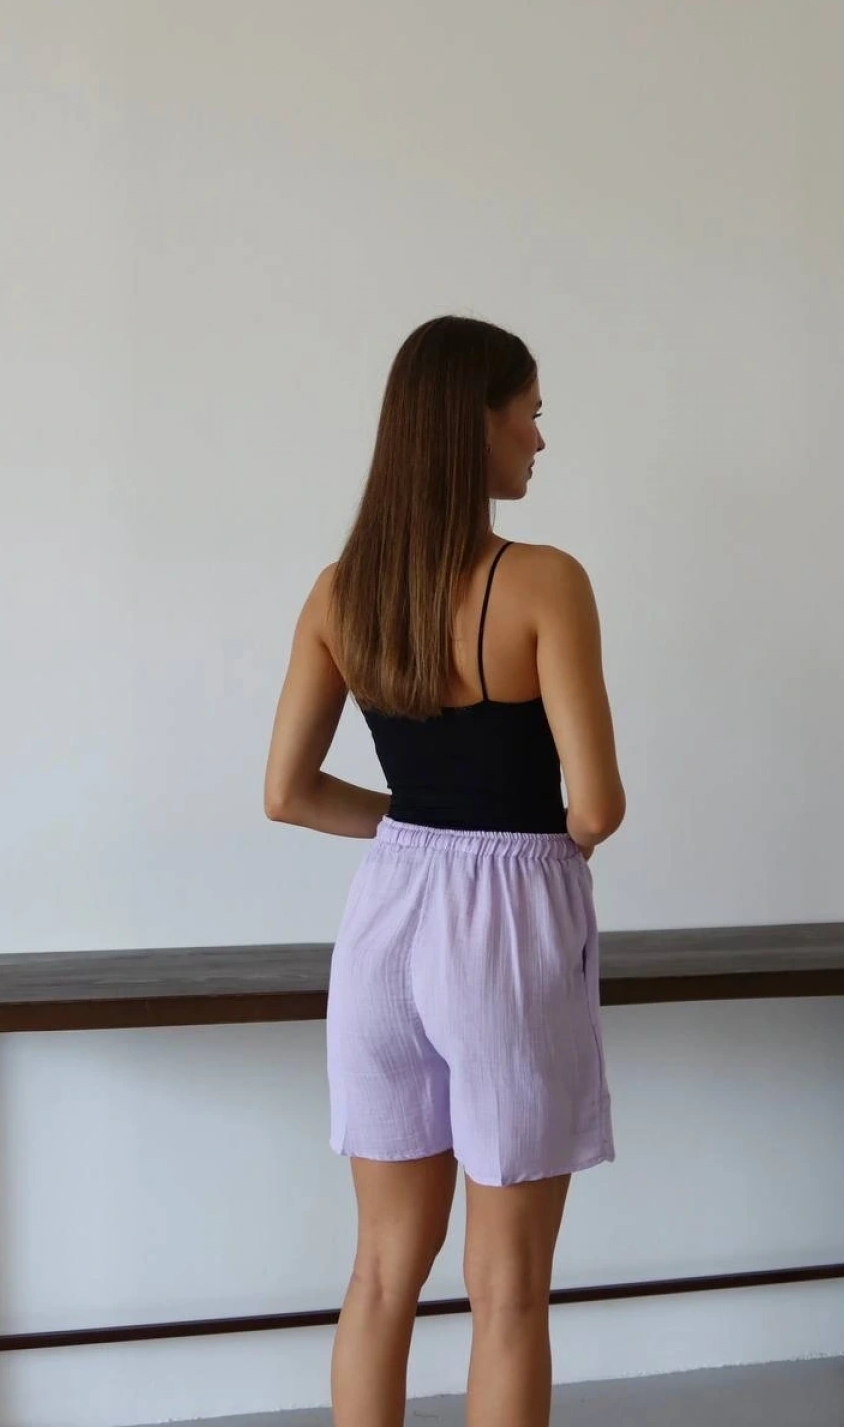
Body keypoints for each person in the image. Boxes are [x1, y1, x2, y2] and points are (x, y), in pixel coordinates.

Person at [264, 315, 625, 1427]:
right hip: (508, 924)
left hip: (385, 921)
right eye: (530, 415)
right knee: (507, 1291)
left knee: (381, 1272)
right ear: (477, 423)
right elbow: (596, 808)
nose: (539, 440)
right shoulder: (544, 581)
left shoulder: (341, 593)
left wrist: (422, 827)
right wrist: (502, 834)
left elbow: (288, 793)